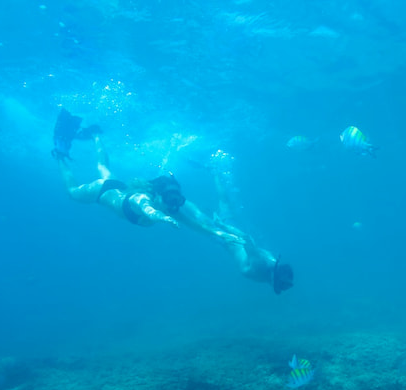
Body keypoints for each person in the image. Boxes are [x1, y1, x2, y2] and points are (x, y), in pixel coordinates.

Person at [51, 109, 293, 294]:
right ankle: (60, 153)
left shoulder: (172, 208)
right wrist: (163, 217)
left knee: (105, 168)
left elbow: (200, 226)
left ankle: (95, 135)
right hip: (101, 192)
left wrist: (222, 235)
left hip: (116, 191)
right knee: (74, 191)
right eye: (171, 200)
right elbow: (148, 210)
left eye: (177, 200)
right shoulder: (143, 199)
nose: (175, 205)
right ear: (159, 196)